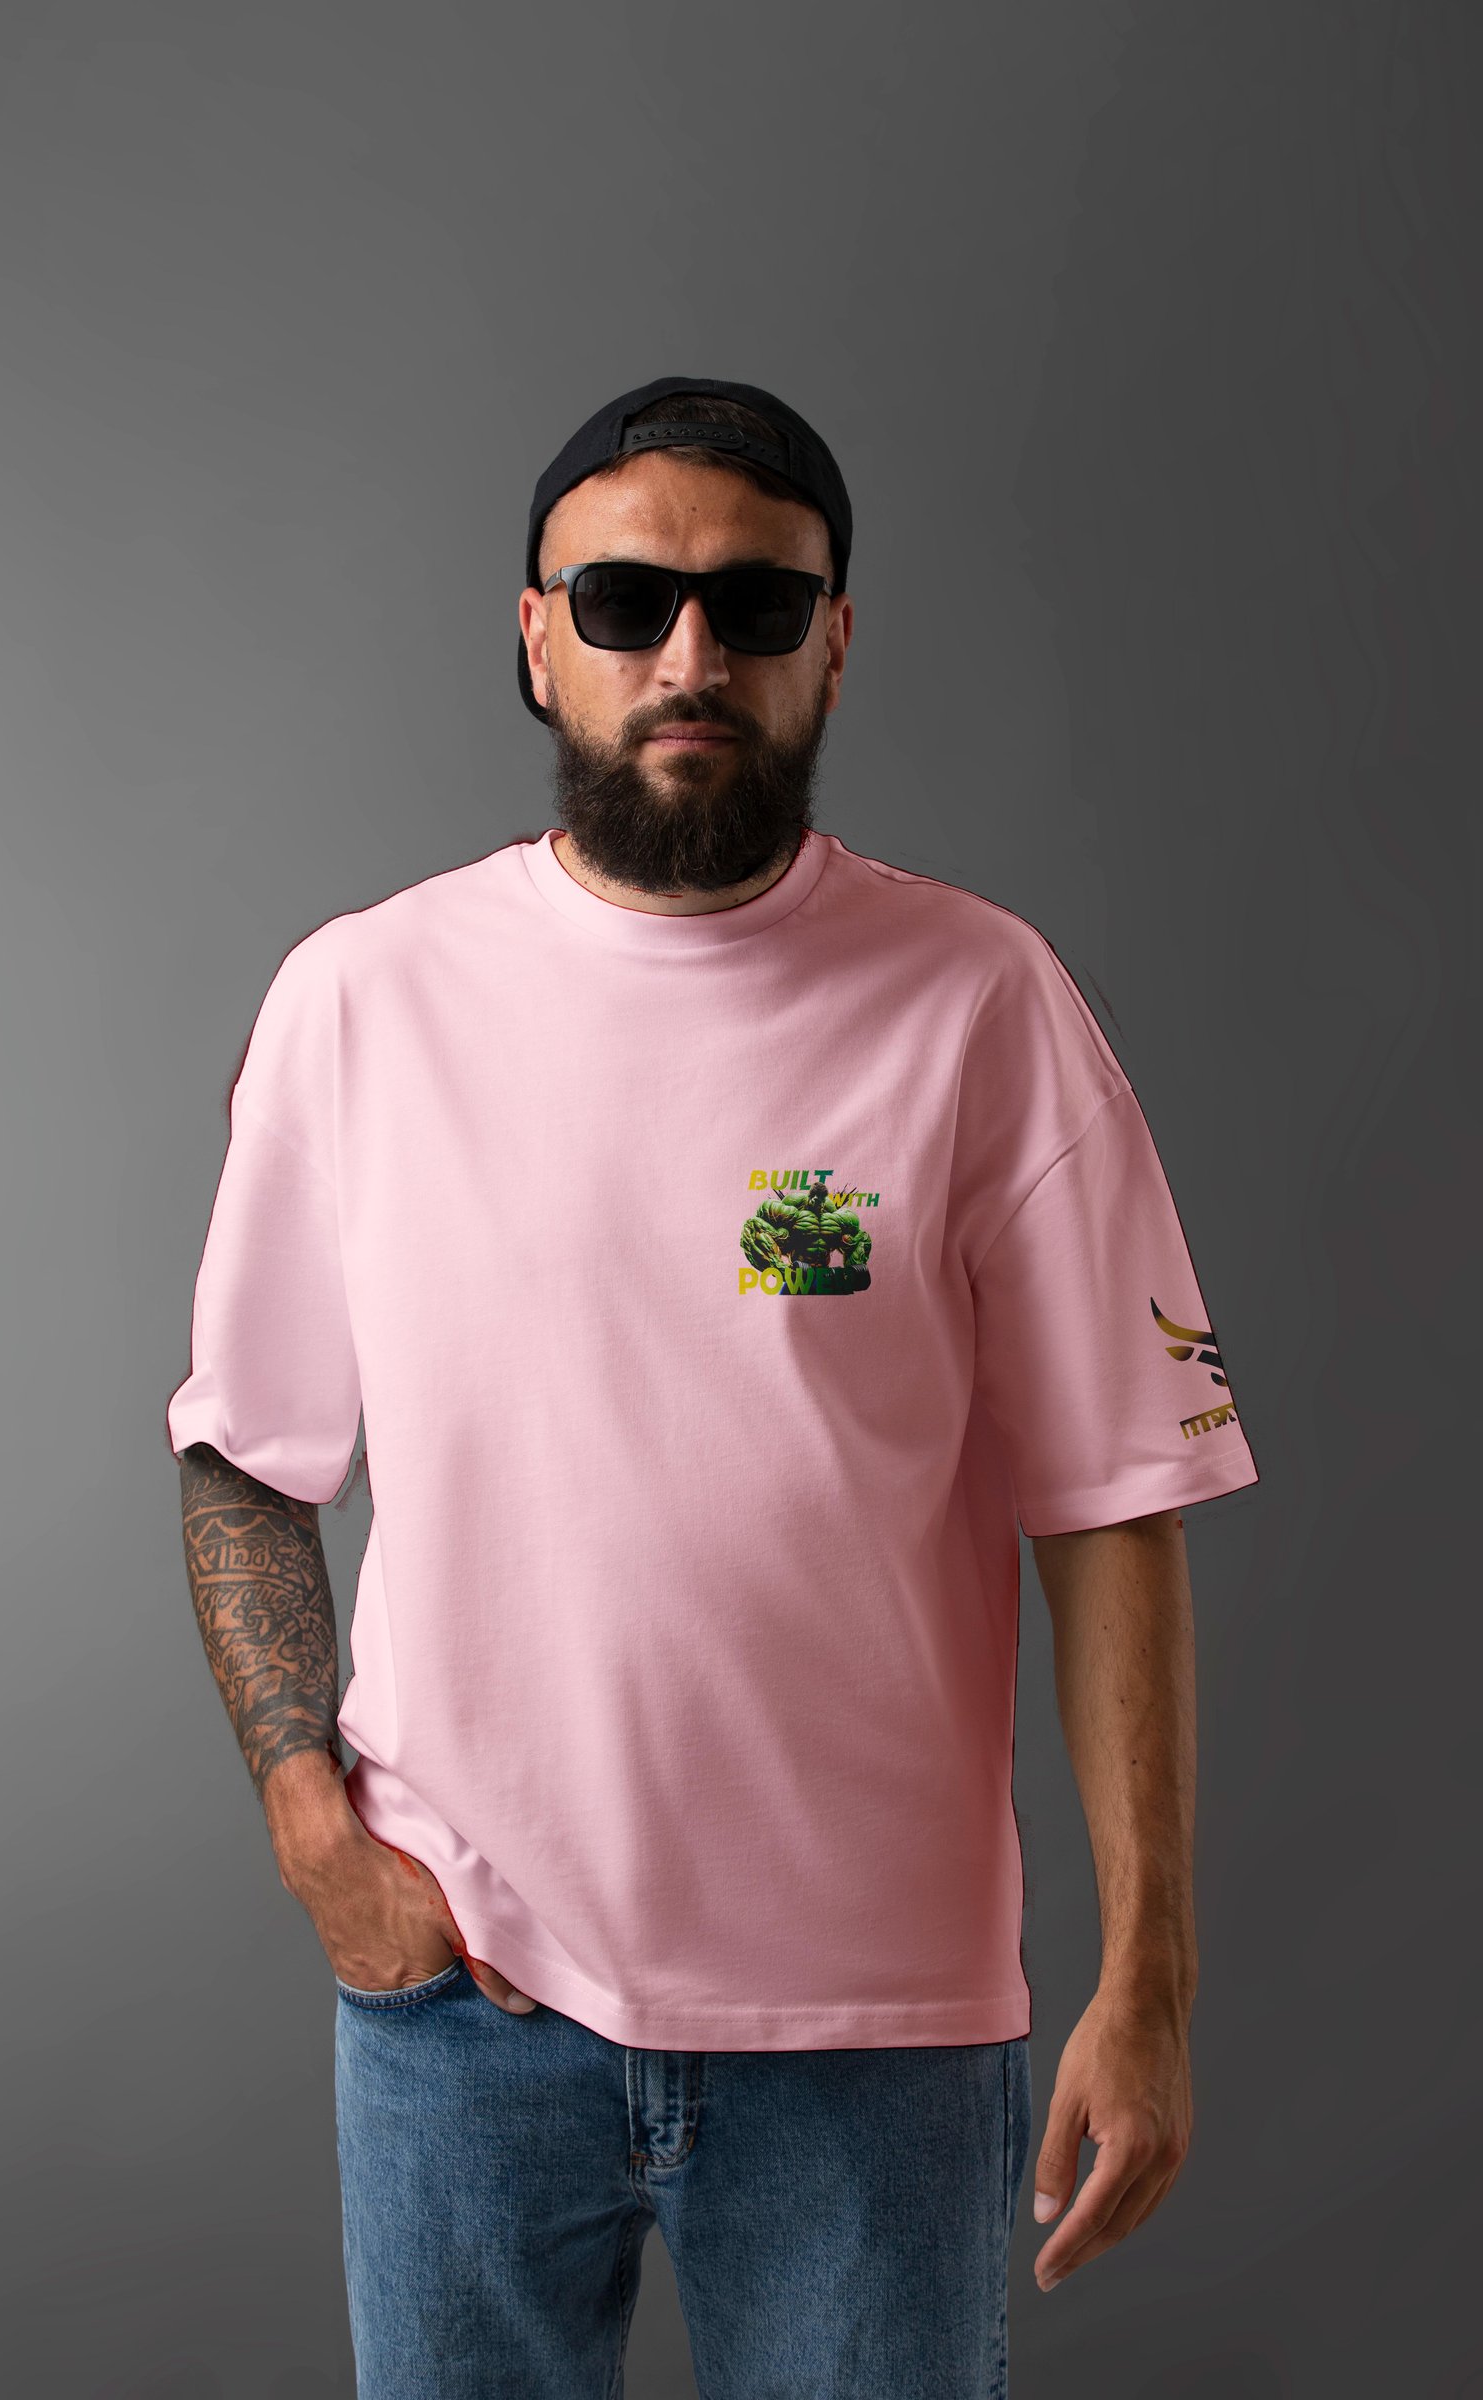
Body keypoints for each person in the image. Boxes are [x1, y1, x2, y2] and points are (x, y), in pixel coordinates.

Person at [168, 375, 1260, 2398]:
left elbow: (1114, 1494)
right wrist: (313, 1828)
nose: (689, 656)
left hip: (877, 2038)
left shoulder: (986, 1005)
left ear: (832, 640)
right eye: (623, 601)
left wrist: (1154, 1979)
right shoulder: (361, 1001)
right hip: (462, 2010)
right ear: (536, 637)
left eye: (755, 606)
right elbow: (245, 1451)